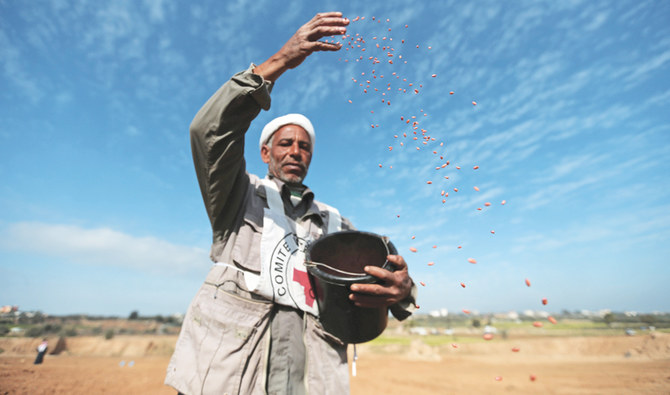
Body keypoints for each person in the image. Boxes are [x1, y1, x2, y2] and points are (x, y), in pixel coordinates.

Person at [165, 12, 417, 395]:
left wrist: (404, 290)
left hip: (310, 380)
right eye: (285, 143)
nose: (296, 152)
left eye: (304, 146)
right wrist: (279, 62)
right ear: (265, 153)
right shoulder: (238, 196)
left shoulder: (336, 226)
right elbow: (208, 132)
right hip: (231, 378)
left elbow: (385, 277)